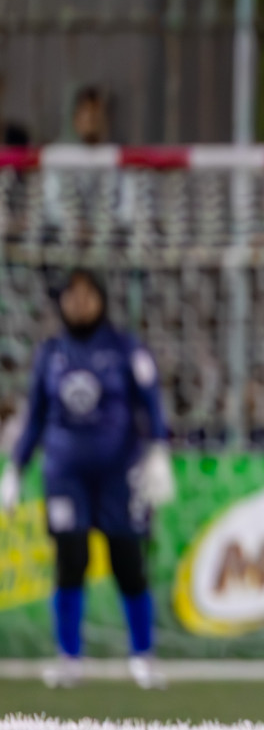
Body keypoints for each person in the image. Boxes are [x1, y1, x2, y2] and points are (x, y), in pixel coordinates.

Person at [0, 269, 176, 689]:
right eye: (70, 297)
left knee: (128, 562)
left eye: (85, 295)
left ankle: (143, 655)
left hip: (119, 473)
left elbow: (150, 404)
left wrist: (158, 451)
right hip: (65, 474)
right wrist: (15, 468)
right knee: (70, 561)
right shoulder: (51, 352)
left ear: (100, 298)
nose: (77, 304)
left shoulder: (126, 349)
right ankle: (69, 657)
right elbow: (36, 416)